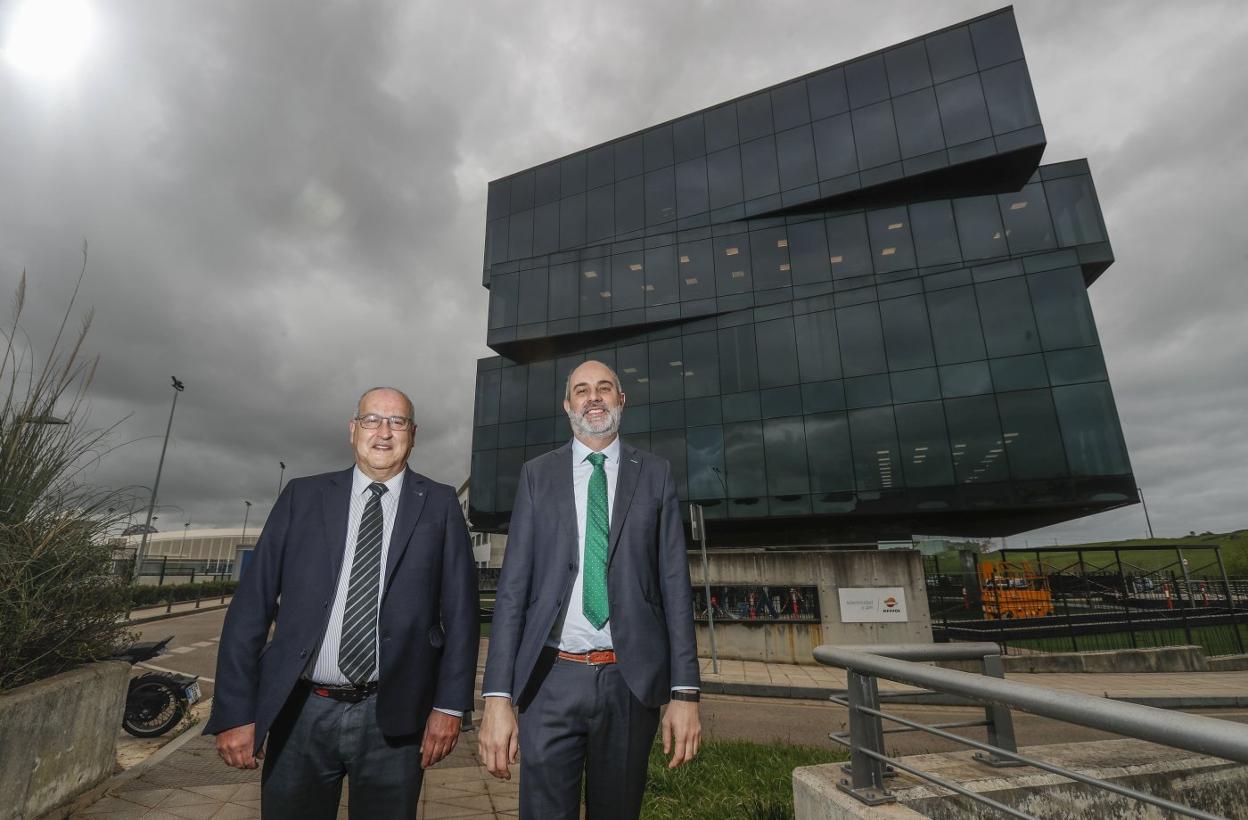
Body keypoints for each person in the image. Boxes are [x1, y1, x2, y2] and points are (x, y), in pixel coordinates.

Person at [205, 387, 478, 820]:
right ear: (353, 430)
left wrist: (449, 707)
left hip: (396, 719)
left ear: (413, 433)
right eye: (372, 420)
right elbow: (250, 610)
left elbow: (461, 615)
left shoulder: (441, 504)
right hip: (301, 713)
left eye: (397, 422)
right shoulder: (302, 497)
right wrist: (235, 712)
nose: (384, 432)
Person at [479, 359, 701, 820]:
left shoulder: (655, 474)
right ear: (567, 405)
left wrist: (685, 694)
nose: (593, 397)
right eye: (582, 390)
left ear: (622, 400)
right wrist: (497, 697)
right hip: (550, 681)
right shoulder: (537, 475)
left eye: (604, 388)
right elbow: (513, 591)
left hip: (629, 683)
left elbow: (675, 587)